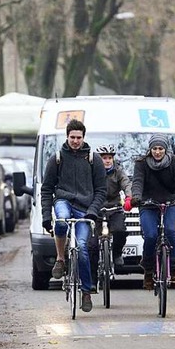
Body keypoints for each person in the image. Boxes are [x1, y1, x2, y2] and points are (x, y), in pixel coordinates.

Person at [41, 119, 107, 312]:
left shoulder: (94, 160)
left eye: (79, 137)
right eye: (72, 137)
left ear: (84, 137)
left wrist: (93, 212)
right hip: (63, 200)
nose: (76, 141)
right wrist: (46, 216)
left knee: (82, 249)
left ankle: (86, 292)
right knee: (61, 221)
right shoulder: (57, 158)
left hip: (85, 208)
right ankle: (61, 259)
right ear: (67, 137)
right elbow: (46, 189)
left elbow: (101, 191)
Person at [130, 133, 175, 289]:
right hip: (148, 203)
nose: (157, 152)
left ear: (165, 149)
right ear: (150, 149)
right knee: (151, 235)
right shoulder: (141, 163)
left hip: (171, 201)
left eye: (160, 148)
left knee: (171, 230)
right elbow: (137, 182)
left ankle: (174, 270)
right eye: (154, 148)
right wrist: (136, 197)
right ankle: (148, 271)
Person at [87, 145, 133, 287]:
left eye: (109, 158)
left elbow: (127, 184)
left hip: (114, 208)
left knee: (120, 231)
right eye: (104, 158)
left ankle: (117, 253)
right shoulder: (92, 172)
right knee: (92, 245)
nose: (107, 161)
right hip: (96, 210)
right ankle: (93, 279)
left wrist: (129, 198)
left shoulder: (118, 172)